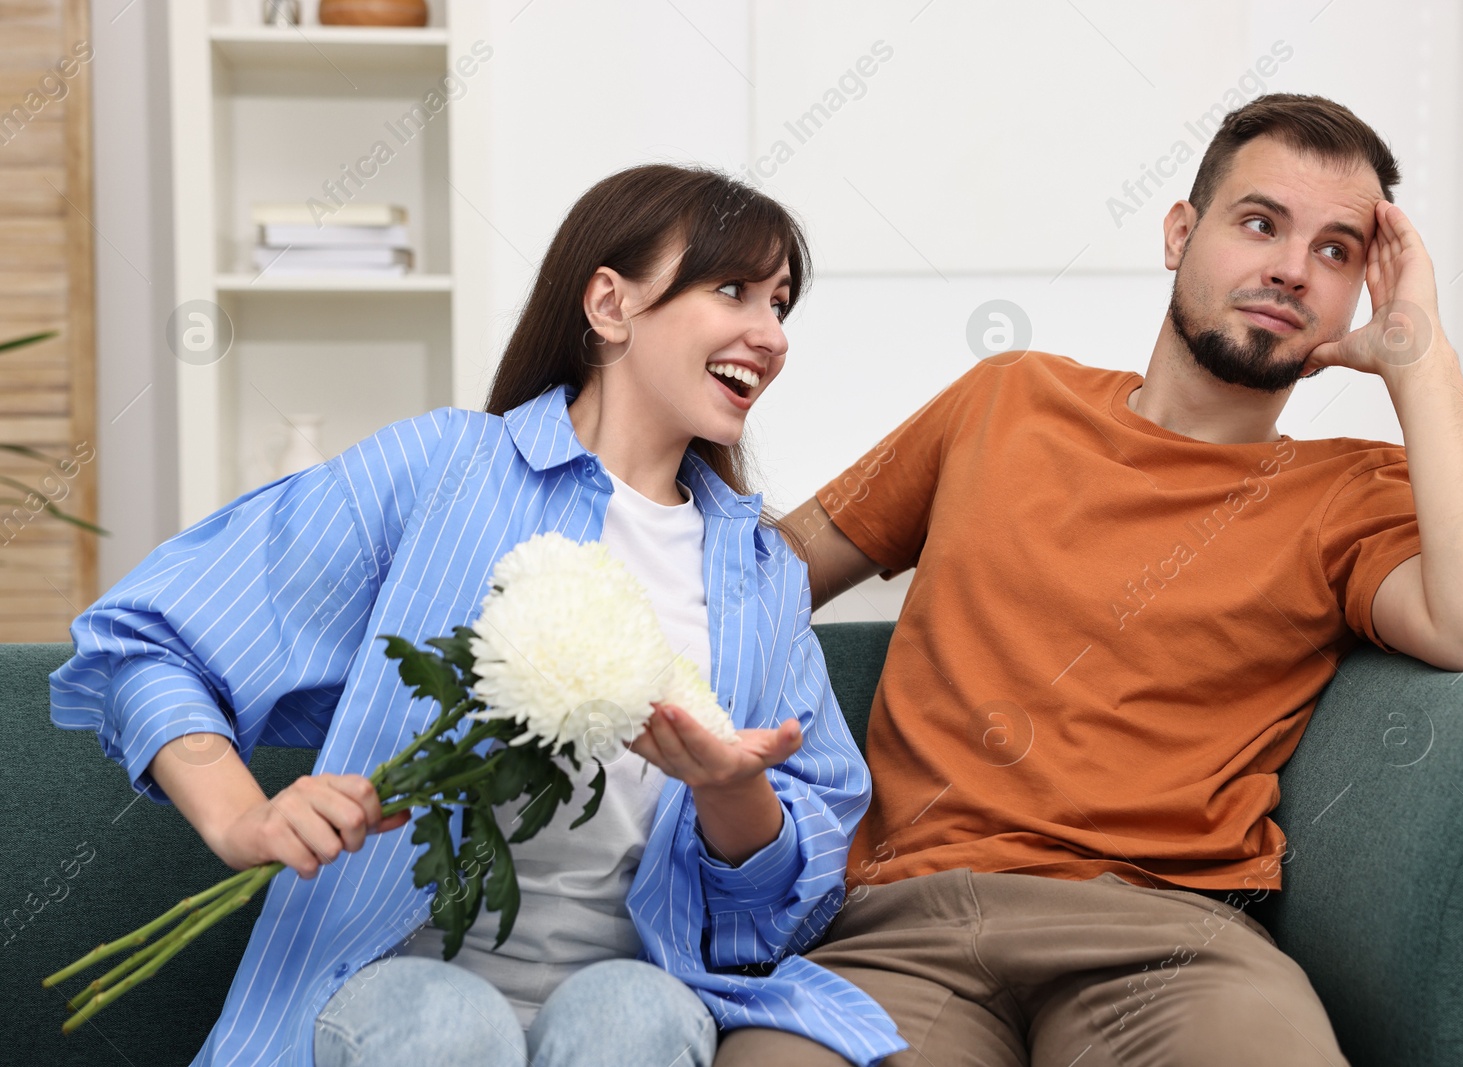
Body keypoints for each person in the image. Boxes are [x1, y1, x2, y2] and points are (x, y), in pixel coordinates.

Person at [717, 94, 1463, 1067]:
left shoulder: (1347, 491)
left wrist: (1420, 357)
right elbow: (758, 583)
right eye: (1260, 223)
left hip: (1177, 938)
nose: (1291, 269)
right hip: (907, 927)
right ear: (1180, 232)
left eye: (1336, 252)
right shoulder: (1007, 399)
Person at [49, 164, 904, 1067]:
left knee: (635, 1019)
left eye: (780, 304)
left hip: (641, 986)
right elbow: (145, 637)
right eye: (732, 289)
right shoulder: (444, 471)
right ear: (610, 305)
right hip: (392, 981)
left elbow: (793, 903)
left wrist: (732, 789)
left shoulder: (762, 576)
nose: (768, 334)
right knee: (449, 1025)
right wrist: (239, 819)